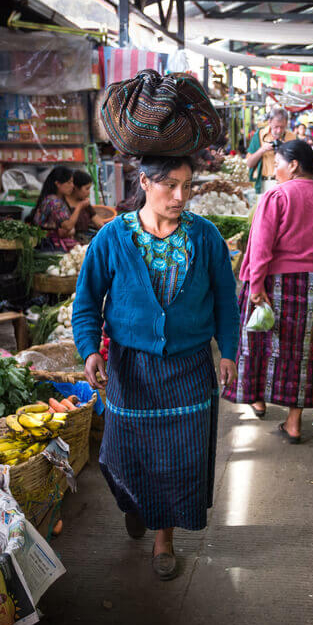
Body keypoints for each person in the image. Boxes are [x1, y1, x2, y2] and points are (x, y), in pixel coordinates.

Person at [73, 155, 238, 580]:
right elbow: (87, 302)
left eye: (187, 185)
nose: (180, 196)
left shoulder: (205, 237)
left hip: (189, 366)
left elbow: (225, 301)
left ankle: (164, 538)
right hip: (131, 367)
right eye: (170, 186)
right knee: (119, 454)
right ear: (145, 182)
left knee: (178, 458)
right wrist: (90, 350)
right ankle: (135, 501)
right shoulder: (112, 238)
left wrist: (229, 353)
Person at [223, 140, 313, 443]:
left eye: (277, 163)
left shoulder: (277, 195)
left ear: (293, 165)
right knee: (306, 353)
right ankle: (294, 423)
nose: (274, 169)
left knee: (260, 341)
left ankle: (259, 400)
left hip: (275, 281)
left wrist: (256, 283)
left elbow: (261, 245)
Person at [32, 166, 90, 250]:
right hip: (49, 245)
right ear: (58, 184)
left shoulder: (59, 200)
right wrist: (79, 207)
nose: (72, 186)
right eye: (69, 182)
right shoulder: (53, 201)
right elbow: (68, 226)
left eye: (72, 182)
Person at [246, 107, 296, 191]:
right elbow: (249, 164)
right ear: (269, 122)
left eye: (282, 127)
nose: (279, 131)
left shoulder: (292, 137)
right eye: (276, 127)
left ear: (286, 123)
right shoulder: (259, 135)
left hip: (286, 184)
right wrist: (262, 150)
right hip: (265, 183)